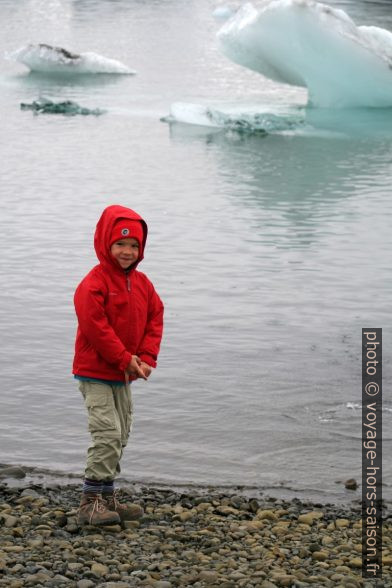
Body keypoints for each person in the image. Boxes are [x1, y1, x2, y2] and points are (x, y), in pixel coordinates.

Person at [73, 204, 164, 526]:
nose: (127, 251)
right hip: (95, 372)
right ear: (105, 244)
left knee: (121, 434)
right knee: (107, 434)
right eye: (120, 244)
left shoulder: (143, 283)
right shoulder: (93, 283)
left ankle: (108, 496)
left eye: (134, 245)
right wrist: (126, 359)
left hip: (123, 374)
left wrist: (148, 358)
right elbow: (97, 329)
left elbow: (155, 317)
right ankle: (89, 501)